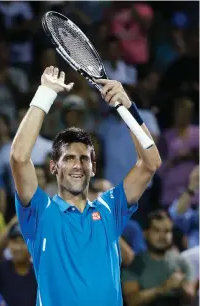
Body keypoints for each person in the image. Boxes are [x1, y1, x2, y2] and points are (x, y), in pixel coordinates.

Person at [10, 65, 161, 306]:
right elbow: (19, 158)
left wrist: (127, 107)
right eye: (68, 158)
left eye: (84, 159)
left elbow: (150, 163)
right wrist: (45, 94)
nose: (78, 165)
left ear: (93, 167)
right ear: (53, 167)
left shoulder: (110, 208)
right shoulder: (40, 212)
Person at [122, 210, 196, 306]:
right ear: (146, 233)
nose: (162, 236)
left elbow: (190, 298)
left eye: (167, 231)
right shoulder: (135, 263)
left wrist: (183, 288)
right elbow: (131, 301)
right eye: (157, 230)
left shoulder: (182, 262)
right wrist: (162, 289)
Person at [0, 223, 37, 306]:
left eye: (23, 242)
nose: (18, 248)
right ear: (9, 244)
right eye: (15, 242)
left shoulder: (39, 274)